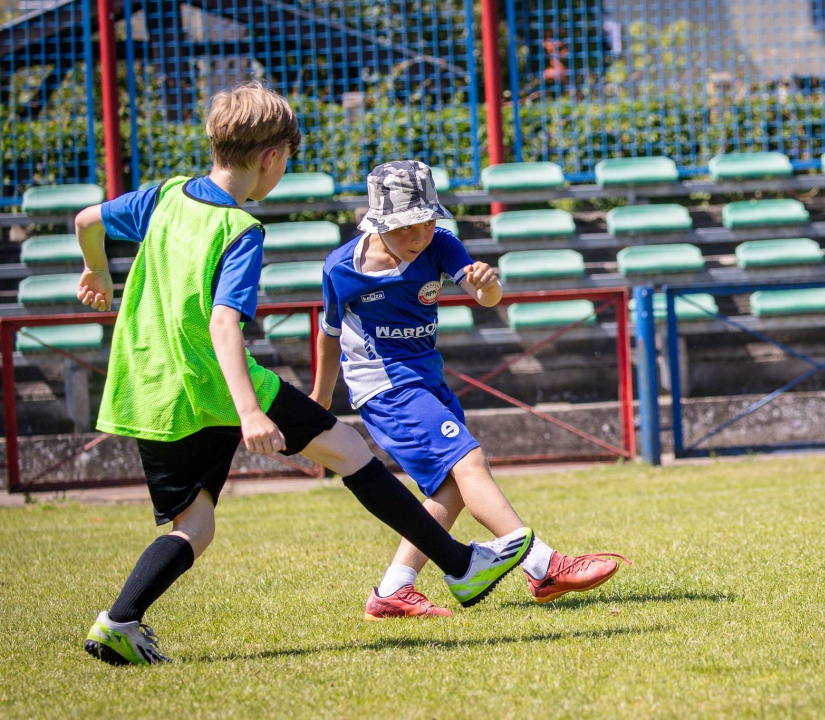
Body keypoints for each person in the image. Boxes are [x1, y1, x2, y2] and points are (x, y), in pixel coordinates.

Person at [75, 83, 532, 666]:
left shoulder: (163, 198)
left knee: (195, 526)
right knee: (348, 448)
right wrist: (247, 411)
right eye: (286, 161)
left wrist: (97, 271)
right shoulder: (239, 231)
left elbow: (87, 218)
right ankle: (460, 567)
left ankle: (118, 621)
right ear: (270, 156)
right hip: (217, 384)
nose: (283, 171)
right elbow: (222, 326)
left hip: (151, 393)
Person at [311, 160, 629, 620]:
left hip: (426, 378)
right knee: (468, 461)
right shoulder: (341, 267)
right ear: (377, 223)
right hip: (385, 386)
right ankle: (544, 566)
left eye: (426, 223)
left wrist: (488, 285)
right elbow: (328, 332)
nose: (419, 236)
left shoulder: (440, 245)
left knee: (451, 487)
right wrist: (321, 400)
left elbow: (487, 297)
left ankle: (393, 589)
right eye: (405, 229)